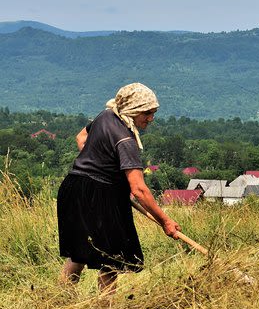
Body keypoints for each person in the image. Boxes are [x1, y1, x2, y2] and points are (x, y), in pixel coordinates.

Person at [57, 83, 181, 293]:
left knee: (78, 253)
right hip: (99, 195)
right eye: (147, 113)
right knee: (112, 258)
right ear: (132, 110)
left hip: (73, 187)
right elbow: (139, 189)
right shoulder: (125, 140)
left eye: (154, 113)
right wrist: (165, 221)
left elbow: (81, 139)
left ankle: (58, 302)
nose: (151, 118)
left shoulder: (106, 115)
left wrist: (97, 163)